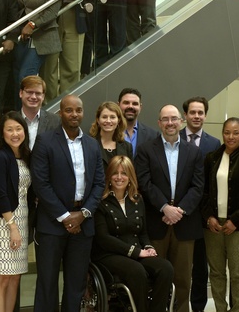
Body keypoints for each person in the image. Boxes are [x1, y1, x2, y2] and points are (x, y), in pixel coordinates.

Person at [31, 95, 105, 312]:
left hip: (83, 223)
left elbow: (100, 183)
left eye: (79, 110)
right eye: (69, 110)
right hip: (52, 224)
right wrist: (65, 217)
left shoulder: (92, 144)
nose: (74, 114)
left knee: (76, 283)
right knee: (47, 283)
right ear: (60, 113)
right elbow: (41, 183)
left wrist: (83, 213)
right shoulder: (45, 141)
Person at [135, 104, 203, 312]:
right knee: (156, 277)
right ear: (159, 123)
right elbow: (144, 183)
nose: (170, 123)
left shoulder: (194, 152)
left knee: (183, 279)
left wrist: (179, 211)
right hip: (157, 223)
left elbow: (198, 186)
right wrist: (165, 208)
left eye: (174, 118)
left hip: (185, 225)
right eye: (165, 119)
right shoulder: (146, 149)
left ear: (181, 121)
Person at [93, 155, 174, 312]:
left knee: (166, 268)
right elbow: (103, 238)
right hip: (108, 254)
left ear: (130, 177)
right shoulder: (99, 202)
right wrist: (137, 252)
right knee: (136, 271)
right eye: (115, 173)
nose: (119, 177)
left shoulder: (137, 200)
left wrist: (149, 248)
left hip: (137, 252)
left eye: (124, 173)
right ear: (108, 176)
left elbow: (142, 232)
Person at [201, 118, 239, 312]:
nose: (231, 136)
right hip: (213, 225)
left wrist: (235, 220)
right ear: (223, 133)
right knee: (217, 273)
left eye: (236, 132)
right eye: (227, 132)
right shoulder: (211, 158)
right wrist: (209, 217)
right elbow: (204, 192)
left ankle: (237, 310)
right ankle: (221, 308)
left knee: (238, 274)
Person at [0, 111, 32, 312]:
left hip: (22, 218)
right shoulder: (0, 156)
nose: (15, 134)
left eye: (18, 129)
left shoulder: (26, 155)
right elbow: (0, 194)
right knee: (2, 277)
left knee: (15, 277)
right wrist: (12, 227)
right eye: (10, 129)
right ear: (2, 133)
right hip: (4, 222)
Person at [180, 96, 220, 312]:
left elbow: (212, 182)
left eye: (200, 112)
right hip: (175, 212)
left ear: (205, 115)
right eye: (192, 112)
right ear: (185, 115)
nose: (196, 116)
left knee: (200, 267)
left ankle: (197, 307)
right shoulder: (172, 137)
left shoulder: (213, 143)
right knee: (177, 265)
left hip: (202, 214)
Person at [8, 0, 62, 87]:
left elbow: (52, 10)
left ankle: (29, 110)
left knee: (25, 76)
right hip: (20, 37)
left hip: (42, 35)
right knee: (16, 75)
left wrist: (33, 24)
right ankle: (18, 110)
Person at [18, 75, 60, 151]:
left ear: (43, 96)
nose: (34, 97)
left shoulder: (55, 121)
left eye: (38, 93)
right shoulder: (10, 121)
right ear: (21, 93)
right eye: (29, 92)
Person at [90, 101, 132, 170]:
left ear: (118, 120)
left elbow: (129, 173)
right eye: (104, 117)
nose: (108, 121)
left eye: (112, 117)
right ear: (98, 120)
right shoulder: (89, 144)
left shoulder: (127, 147)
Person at [118, 88, 159, 156]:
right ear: (118, 105)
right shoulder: (109, 132)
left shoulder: (153, 135)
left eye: (135, 104)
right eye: (126, 103)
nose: (130, 106)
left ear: (140, 107)